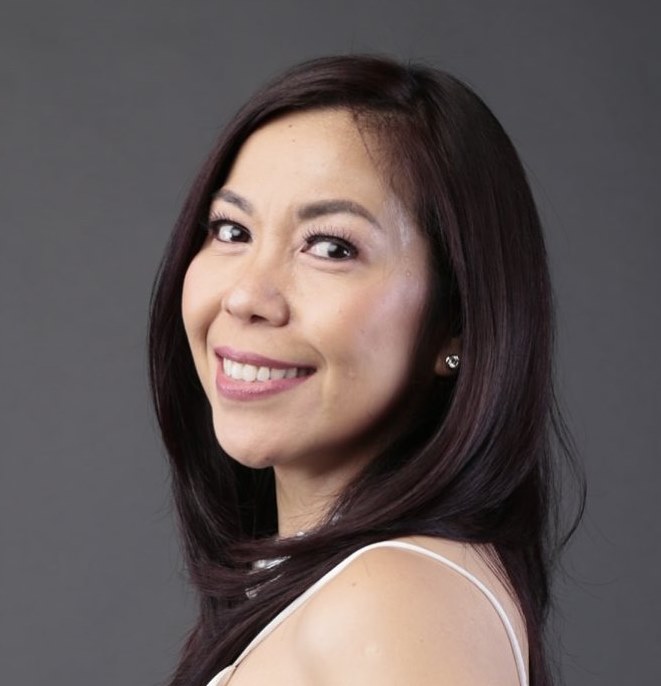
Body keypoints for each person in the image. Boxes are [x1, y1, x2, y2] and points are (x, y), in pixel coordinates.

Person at [148, 55, 584, 686]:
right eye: (231, 230)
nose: (245, 297)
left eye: (331, 247)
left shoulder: (392, 604)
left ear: (456, 320)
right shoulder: (361, 591)